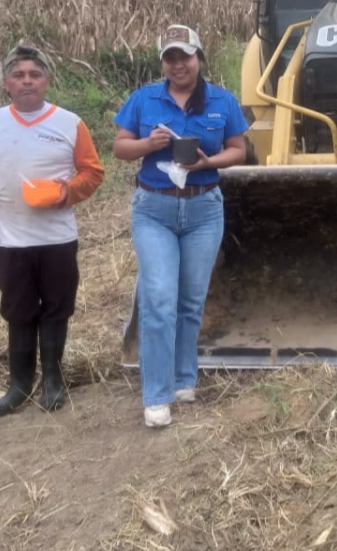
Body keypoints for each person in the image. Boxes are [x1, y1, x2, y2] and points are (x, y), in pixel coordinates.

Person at [113, 25, 248, 428]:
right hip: (154, 210)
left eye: (184, 56)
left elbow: (238, 150)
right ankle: (157, 395)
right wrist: (147, 145)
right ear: (163, 64)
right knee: (158, 298)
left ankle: (183, 377)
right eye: (170, 58)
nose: (178, 65)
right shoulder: (144, 99)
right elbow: (120, 147)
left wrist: (208, 162)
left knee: (190, 300)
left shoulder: (223, 101)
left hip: (204, 210)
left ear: (198, 58)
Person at [0, 46, 105, 417]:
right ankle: (19, 385)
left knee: (57, 307)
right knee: (18, 310)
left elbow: (93, 172)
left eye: (35, 75)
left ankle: (53, 380)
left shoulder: (69, 123)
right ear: (6, 83)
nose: (27, 81)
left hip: (57, 236)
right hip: (8, 237)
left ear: (46, 81)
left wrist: (66, 192)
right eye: (19, 75)